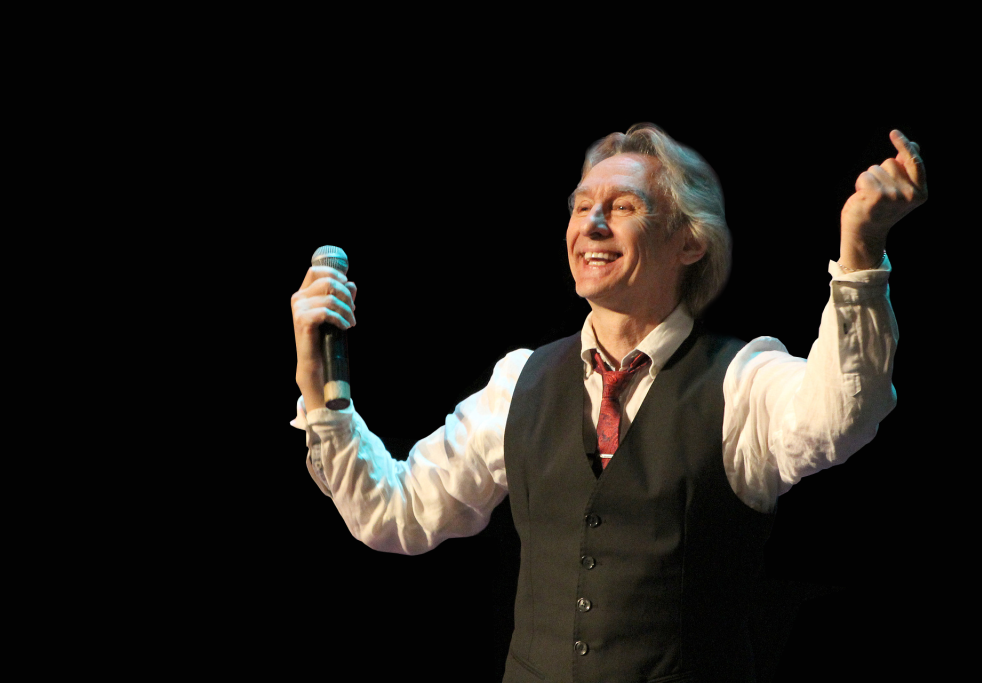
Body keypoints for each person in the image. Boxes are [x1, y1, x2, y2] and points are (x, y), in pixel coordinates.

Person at [289, 124, 927, 682]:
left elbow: (843, 411)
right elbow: (395, 513)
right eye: (581, 206)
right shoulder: (519, 383)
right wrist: (318, 386)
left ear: (689, 242)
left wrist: (861, 250)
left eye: (622, 206)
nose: (591, 224)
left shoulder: (741, 382)